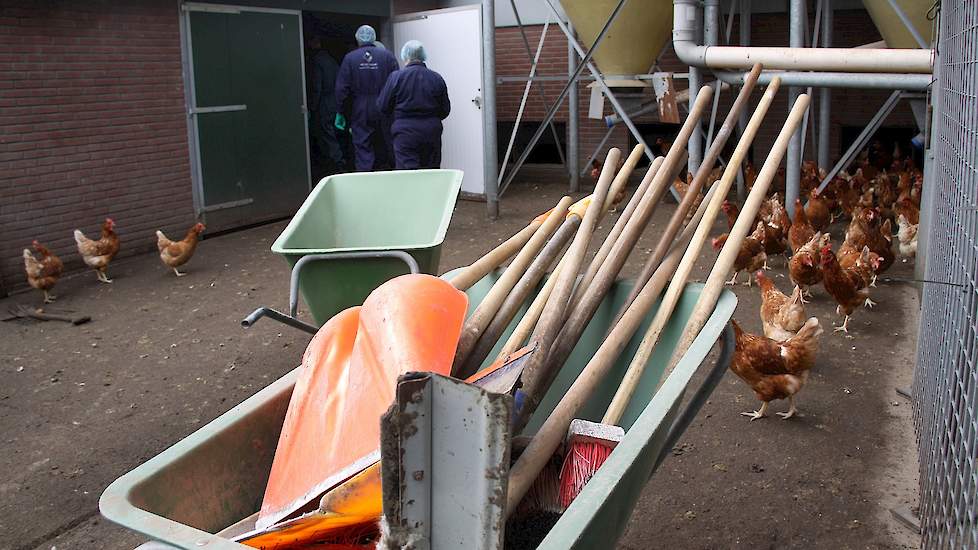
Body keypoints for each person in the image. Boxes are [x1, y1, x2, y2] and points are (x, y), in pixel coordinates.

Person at [376, 40, 451, 170]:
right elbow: (445, 109)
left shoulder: (396, 77)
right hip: (431, 130)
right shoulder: (436, 78)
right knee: (431, 171)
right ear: (423, 56)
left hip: (405, 132)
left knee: (409, 175)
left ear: (405, 56)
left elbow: (383, 106)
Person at [335, 25, 399, 171]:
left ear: (357, 39)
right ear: (374, 37)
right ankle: (387, 181)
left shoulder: (350, 58)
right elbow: (397, 85)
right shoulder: (388, 56)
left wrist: (341, 112)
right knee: (386, 146)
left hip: (360, 110)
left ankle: (366, 185)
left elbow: (342, 89)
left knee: (363, 149)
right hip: (384, 108)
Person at [307, 38, 344, 173]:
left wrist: (312, 107)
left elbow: (317, 85)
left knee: (326, 135)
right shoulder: (332, 60)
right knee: (333, 133)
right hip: (334, 101)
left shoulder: (317, 61)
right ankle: (338, 160)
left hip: (324, 103)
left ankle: (336, 164)